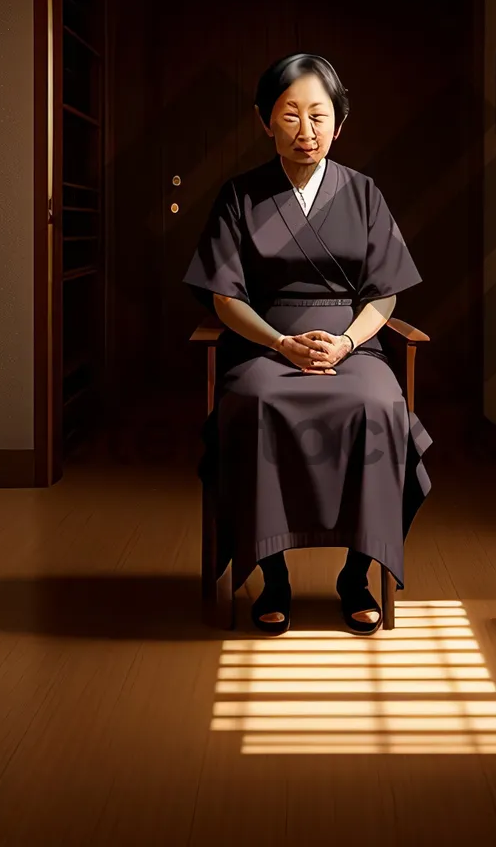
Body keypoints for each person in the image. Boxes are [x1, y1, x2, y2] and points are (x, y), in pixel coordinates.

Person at [182, 53, 433, 635]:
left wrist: (345, 343)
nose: (306, 131)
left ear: (339, 124)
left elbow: (386, 296)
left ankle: (356, 575)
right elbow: (225, 299)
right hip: (266, 343)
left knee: (379, 405)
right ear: (264, 120)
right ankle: (272, 576)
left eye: (319, 116)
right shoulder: (240, 196)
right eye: (290, 115)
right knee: (254, 403)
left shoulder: (365, 193)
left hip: (353, 344)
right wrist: (279, 343)